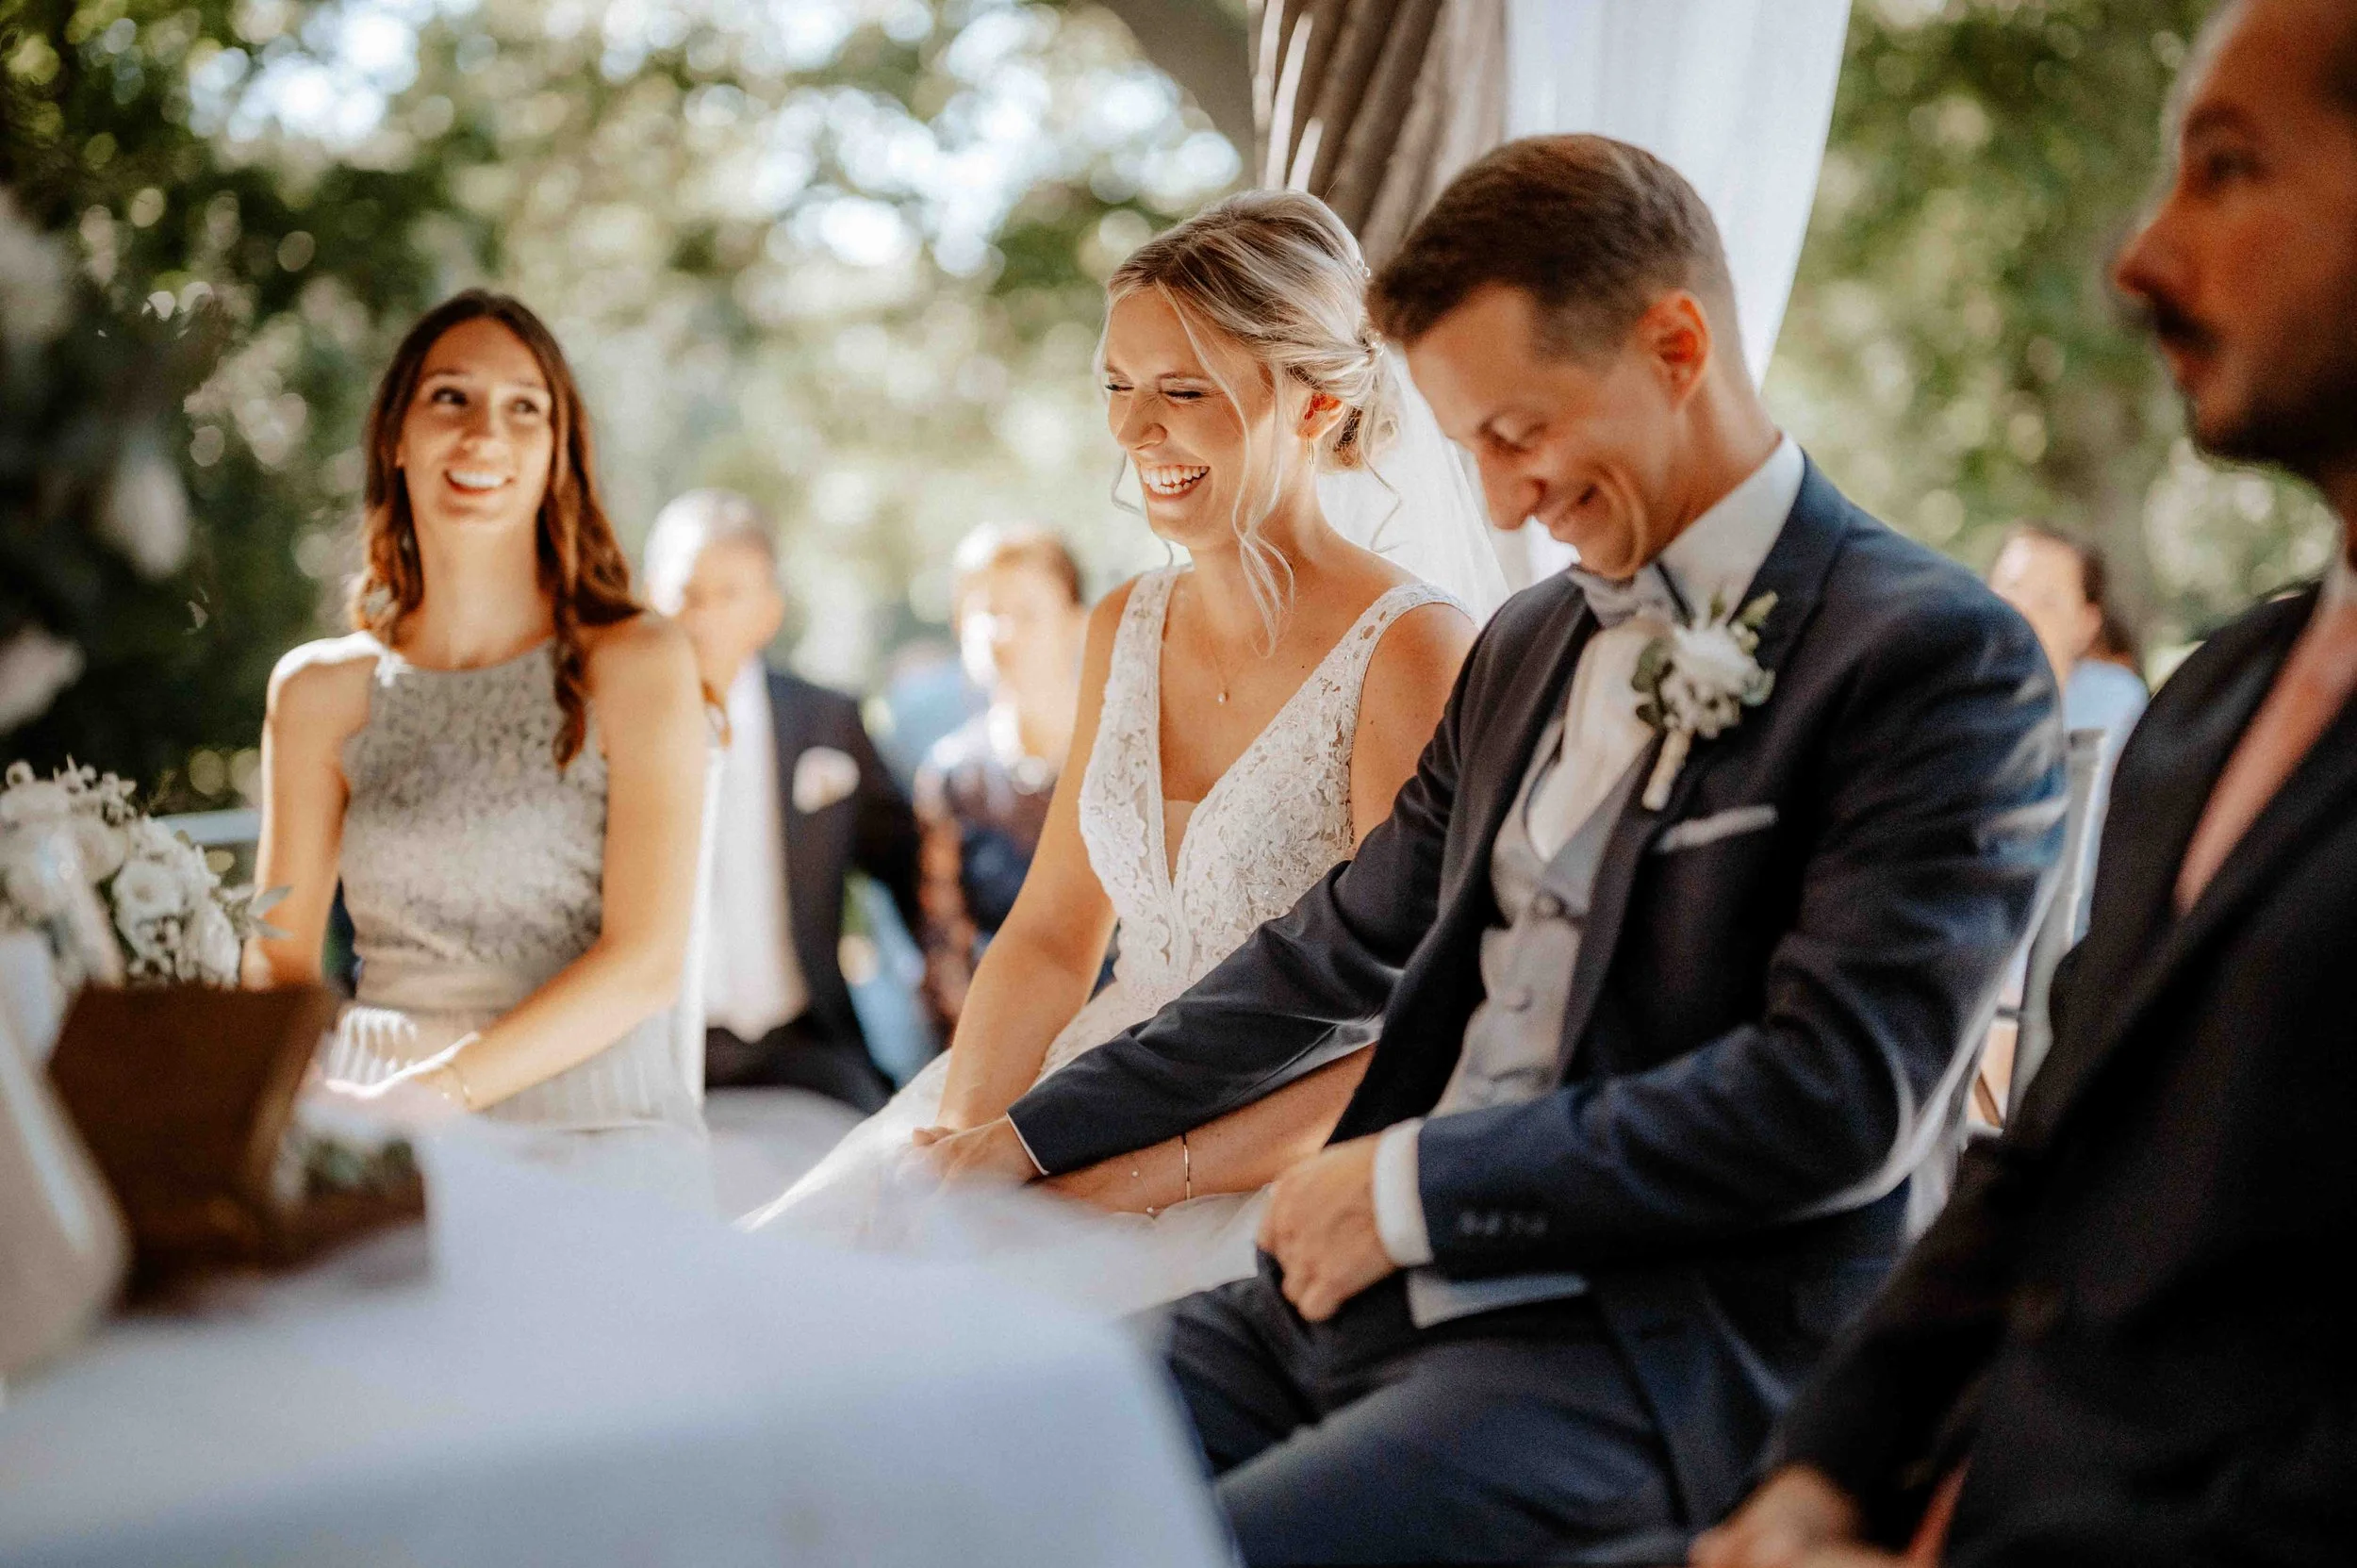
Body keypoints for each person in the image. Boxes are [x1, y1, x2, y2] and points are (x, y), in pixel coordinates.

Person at [926, 136, 2065, 1563]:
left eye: (1521, 430)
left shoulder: (1935, 659)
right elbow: (1324, 952)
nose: (1506, 500)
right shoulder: (1530, 644)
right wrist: (1021, 1137)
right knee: (944, 1452)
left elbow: (1833, 1096)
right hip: (1343, 1300)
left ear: (1677, 344)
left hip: (1637, 1349)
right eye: (1473, 449)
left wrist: (1408, 1187)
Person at [1696, 3, 2357, 1563]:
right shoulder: (2211, 706)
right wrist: (1815, 1475)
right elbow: (2042, 1151)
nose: (2141, 260)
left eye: (2229, 168)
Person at [747, 190, 1486, 1316]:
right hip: (1068, 1084)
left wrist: (1109, 1185)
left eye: (1182, 391)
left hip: (1271, 1155)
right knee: (785, 1300)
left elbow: (1423, 1033)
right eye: (1117, 388)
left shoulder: (1414, 648)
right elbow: (1049, 936)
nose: (1136, 433)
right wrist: (967, 1144)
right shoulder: (1124, 624)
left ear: (1315, 404)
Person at [249, 290, 712, 1199]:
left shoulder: (640, 662)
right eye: (450, 398)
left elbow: (647, 960)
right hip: (366, 1116)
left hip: (595, 1123)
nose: (483, 436)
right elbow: (278, 962)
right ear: (396, 435)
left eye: (523, 408)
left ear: (556, 453)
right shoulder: (315, 691)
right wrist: (317, 1102)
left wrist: (436, 1097)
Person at [641, 489, 922, 1114]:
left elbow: (908, 863)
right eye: (686, 593)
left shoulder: (828, 721)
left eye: (729, 594)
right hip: (661, 1053)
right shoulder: (611, 727)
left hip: (806, 1040)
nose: (703, 615)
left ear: (768, 611)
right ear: (649, 599)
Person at [914, 525, 1091, 1035]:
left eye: (1027, 613)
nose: (1002, 634)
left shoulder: (1130, 750)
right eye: (985, 614)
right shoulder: (950, 777)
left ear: (1076, 624)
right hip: (1002, 1038)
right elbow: (945, 952)